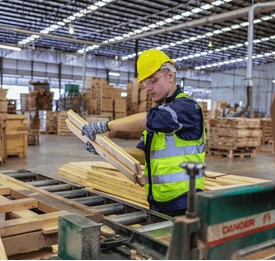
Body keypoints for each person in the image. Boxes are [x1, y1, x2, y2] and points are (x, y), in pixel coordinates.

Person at [81, 49, 206, 217]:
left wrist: (106, 125)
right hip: (159, 202)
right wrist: (105, 150)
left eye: (153, 80)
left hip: (185, 203)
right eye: (146, 83)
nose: (148, 88)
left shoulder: (187, 107)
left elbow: (147, 120)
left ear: (170, 75)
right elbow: (142, 153)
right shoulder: (159, 111)